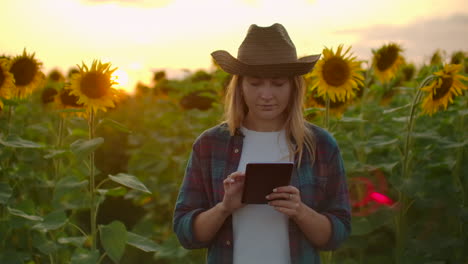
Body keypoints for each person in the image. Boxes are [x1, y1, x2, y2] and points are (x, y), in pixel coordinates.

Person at [173, 23, 351, 264]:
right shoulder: (209, 145)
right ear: (241, 86)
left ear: (293, 87)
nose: (266, 95)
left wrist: (300, 210)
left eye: (278, 84)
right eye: (255, 83)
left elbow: (337, 235)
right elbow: (186, 233)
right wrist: (225, 207)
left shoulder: (320, 146)